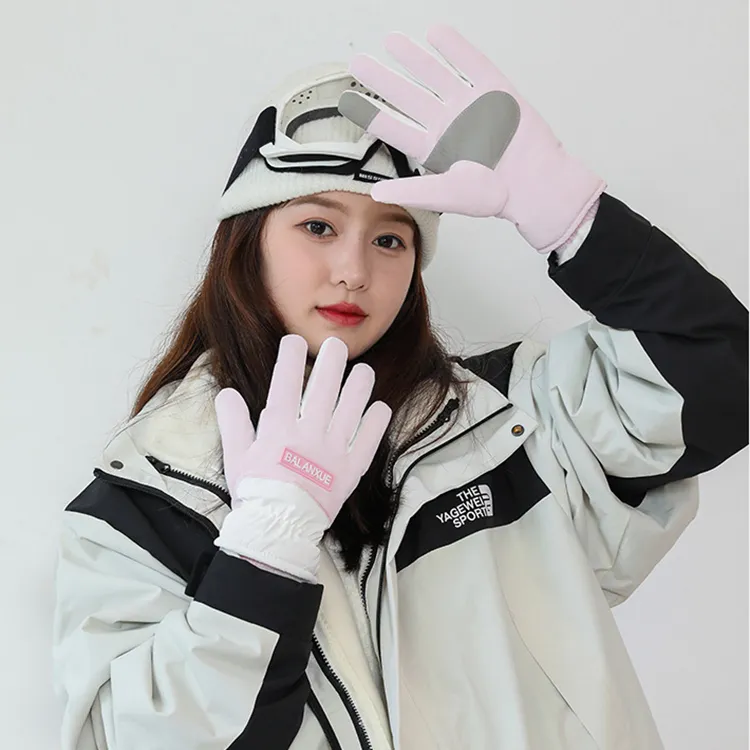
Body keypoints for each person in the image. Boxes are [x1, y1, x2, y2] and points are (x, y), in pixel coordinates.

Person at [52, 24, 748, 750]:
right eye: (318, 226)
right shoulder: (142, 505)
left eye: (390, 238)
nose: (354, 271)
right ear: (247, 241)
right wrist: (264, 550)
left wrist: (573, 216)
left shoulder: (514, 425)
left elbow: (721, 380)